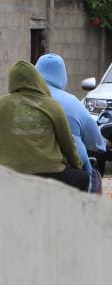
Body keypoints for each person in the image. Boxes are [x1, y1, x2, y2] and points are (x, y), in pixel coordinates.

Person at [0, 60, 89, 190]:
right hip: (50, 172)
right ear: (38, 79)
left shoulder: (2, 104)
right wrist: (77, 165)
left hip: (9, 173)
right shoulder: (52, 106)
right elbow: (68, 144)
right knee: (83, 178)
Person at [36, 53, 106, 192]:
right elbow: (94, 140)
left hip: (19, 169)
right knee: (94, 177)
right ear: (63, 76)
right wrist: (102, 144)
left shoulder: (18, 101)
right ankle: (91, 213)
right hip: (61, 170)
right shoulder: (71, 102)